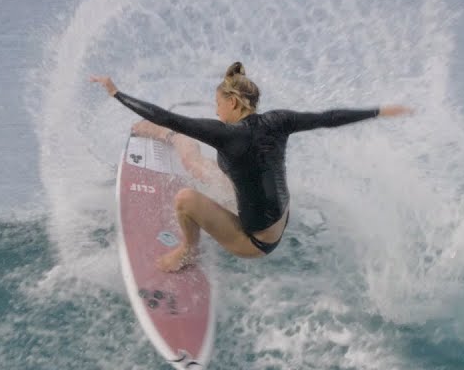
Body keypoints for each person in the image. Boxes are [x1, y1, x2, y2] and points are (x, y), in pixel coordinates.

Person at [91, 62, 413, 272]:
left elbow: (167, 114)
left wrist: (116, 92)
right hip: (280, 216)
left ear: (232, 103)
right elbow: (329, 118)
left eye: (218, 104)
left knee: (186, 198)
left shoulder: (226, 135)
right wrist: (378, 111)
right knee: (200, 167)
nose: (216, 112)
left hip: (256, 241)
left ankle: (188, 251)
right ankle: (171, 138)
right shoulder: (280, 119)